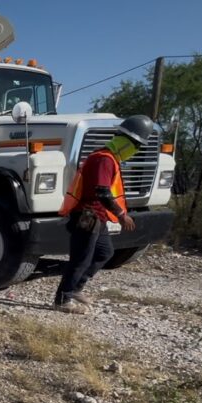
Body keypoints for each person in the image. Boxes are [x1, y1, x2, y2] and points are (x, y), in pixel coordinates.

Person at [53, 115, 151, 314]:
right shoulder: (103, 160)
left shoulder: (110, 159)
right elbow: (102, 191)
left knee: (104, 253)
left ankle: (75, 289)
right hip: (87, 217)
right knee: (80, 259)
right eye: (136, 145)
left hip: (98, 217)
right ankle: (63, 299)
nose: (136, 150)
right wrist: (122, 215)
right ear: (125, 141)